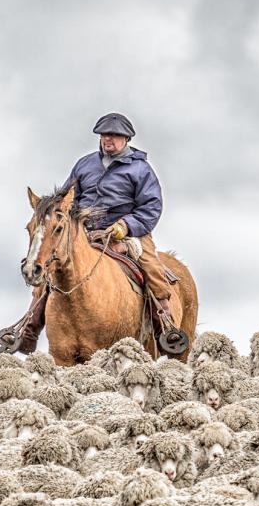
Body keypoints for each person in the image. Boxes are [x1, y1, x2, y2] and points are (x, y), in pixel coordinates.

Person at [12, 113, 175, 353]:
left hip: (129, 232)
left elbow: (151, 207)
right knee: (51, 266)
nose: (108, 139)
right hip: (84, 232)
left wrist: (124, 226)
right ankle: (30, 328)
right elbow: (67, 199)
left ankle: (166, 326)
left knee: (151, 266)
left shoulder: (141, 170)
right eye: (105, 135)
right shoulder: (84, 164)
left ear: (126, 138)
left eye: (115, 135)